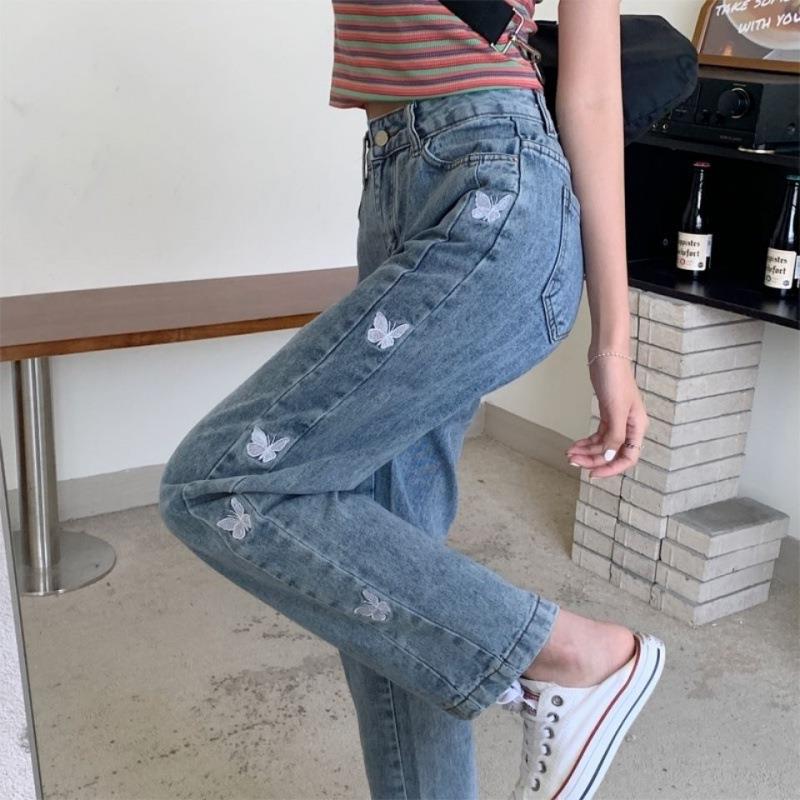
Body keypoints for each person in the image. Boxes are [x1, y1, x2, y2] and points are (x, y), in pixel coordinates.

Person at [158, 1, 666, 798]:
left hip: (496, 183)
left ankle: (577, 656)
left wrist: (613, 346)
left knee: (214, 482)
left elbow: (595, 97)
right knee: (388, 573)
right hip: (396, 182)